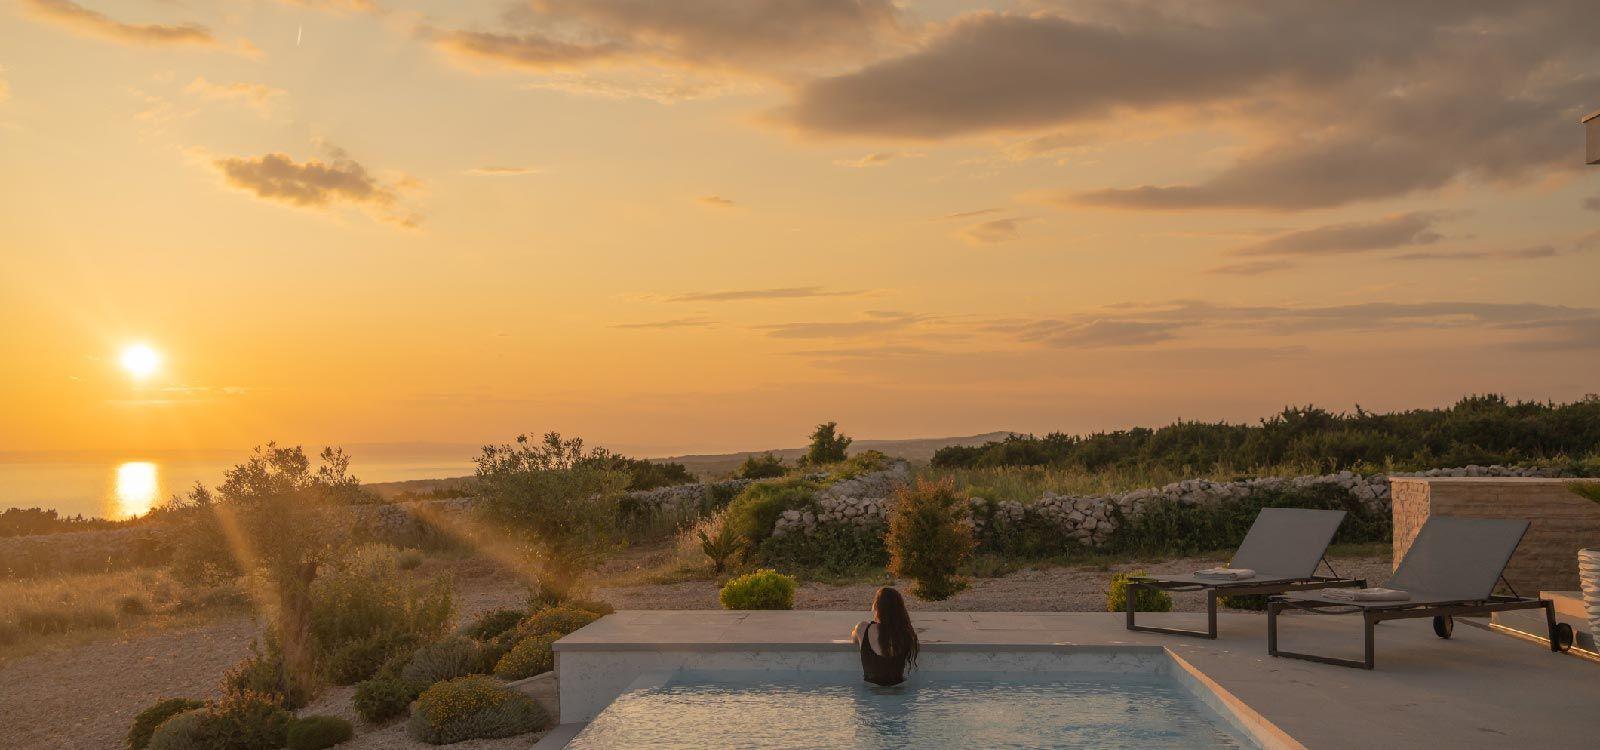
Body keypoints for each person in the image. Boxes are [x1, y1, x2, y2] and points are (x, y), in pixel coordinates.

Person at [851, 587, 919, 686]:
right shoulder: (905, 633)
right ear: (900, 609)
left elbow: (854, 639)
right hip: (898, 692)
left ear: (876, 606)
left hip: (871, 693)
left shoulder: (862, 628)